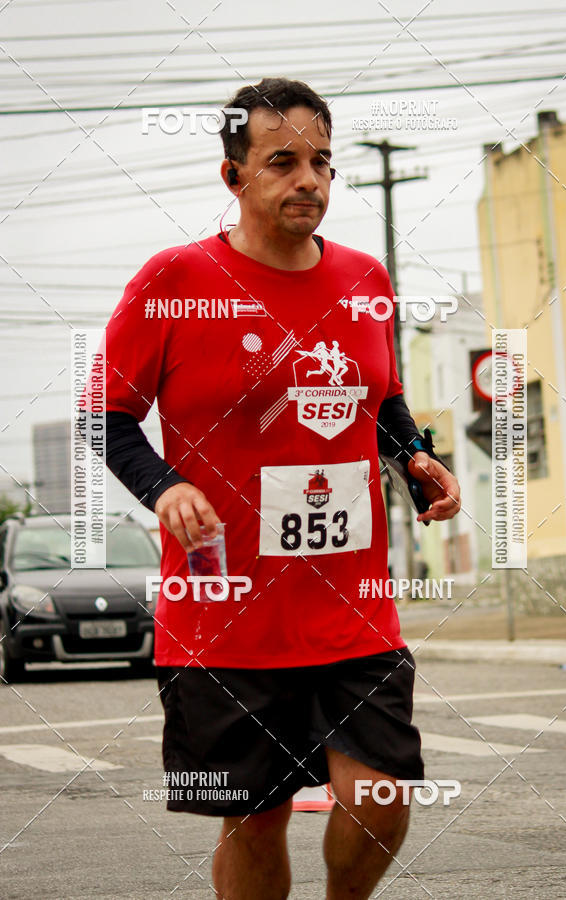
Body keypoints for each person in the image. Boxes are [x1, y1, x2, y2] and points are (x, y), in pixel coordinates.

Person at [101, 77, 461, 900]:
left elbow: (377, 399)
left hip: (352, 605)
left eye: (323, 162)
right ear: (233, 177)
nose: (309, 180)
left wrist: (415, 459)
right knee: (255, 818)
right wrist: (162, 487)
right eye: (283, 162)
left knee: (379, 796)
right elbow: (108, 417)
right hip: (225, 617)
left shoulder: (365, 279)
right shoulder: (175, 280)